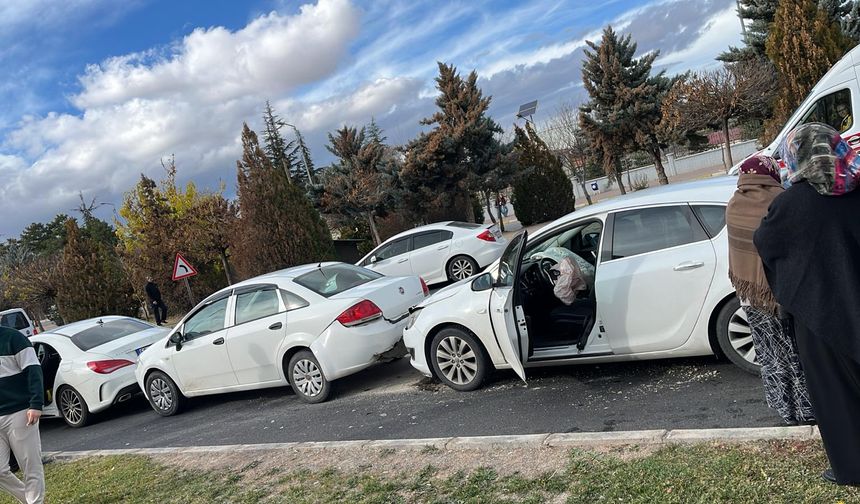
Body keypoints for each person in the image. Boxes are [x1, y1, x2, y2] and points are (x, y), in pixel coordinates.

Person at [754, 122, 860, 486]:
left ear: (795, 154)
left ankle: (851, 467)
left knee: (835, 395)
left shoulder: (788, 204)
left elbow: (766, 245)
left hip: (820, 315)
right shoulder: (857, 188)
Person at [726, 155, 814, 425]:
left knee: (771, 355)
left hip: (752, 298)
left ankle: (785, 410)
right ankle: (808, 410)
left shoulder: (734, 204)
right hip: (782, 294)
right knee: (796, 353)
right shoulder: (779, 200)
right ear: (771, 173)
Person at [0, 326, 45, 504]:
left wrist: (36, 403)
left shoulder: (13, 338)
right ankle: (30, 500)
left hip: (20, 412)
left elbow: (34, 370)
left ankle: (35, 501)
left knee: (30, 466)